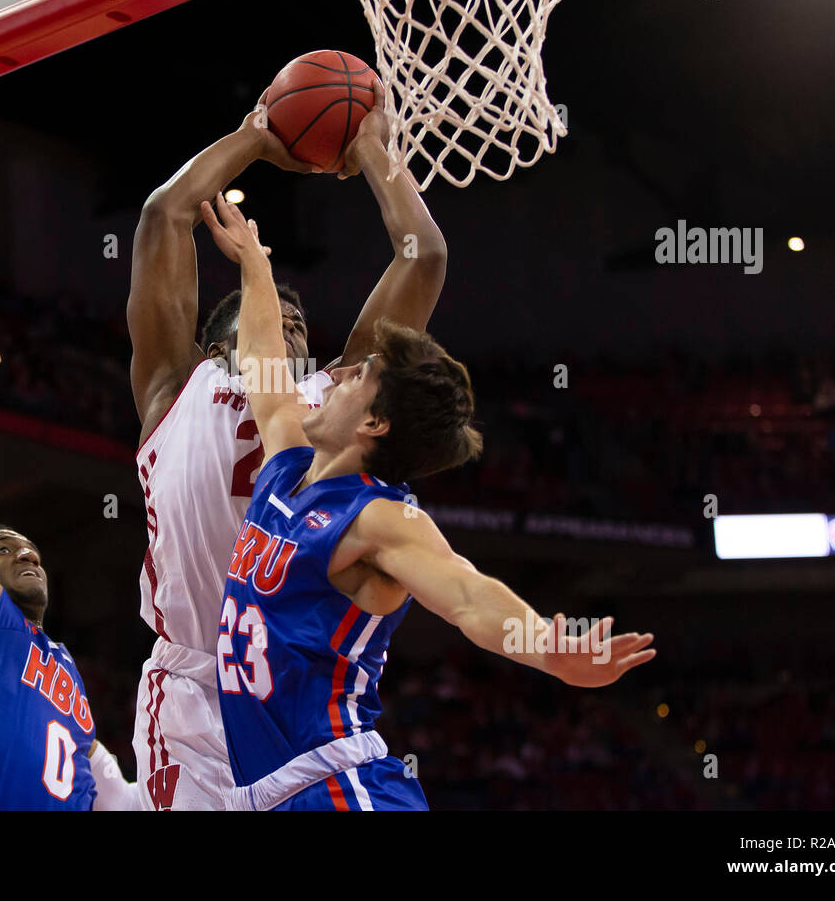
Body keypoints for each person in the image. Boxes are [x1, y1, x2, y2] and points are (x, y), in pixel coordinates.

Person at [199, 194, 658, 810]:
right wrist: (254, 265)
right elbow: (262, 362)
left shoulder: (380, 517)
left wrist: (548, 645)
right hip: (270, 793)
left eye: (359, 376)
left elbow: (467, 596)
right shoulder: (287, 466)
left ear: (377, 424)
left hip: (339, 786)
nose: (335, 376)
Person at [127, 90, 448, 809]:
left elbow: (423, 255)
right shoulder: (172, 388)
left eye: (302, 323)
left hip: (298, 685)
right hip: (193, 693)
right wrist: (257, 137)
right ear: (219, 339)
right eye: (281, 314)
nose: (295, 325)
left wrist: (370, 149)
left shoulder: (333, 397)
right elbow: (163, 215)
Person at [0, 273, 138, 810]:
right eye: (1, 548)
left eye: (30, 549)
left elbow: (118, 796)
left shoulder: (65, 670)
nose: (26, 552)